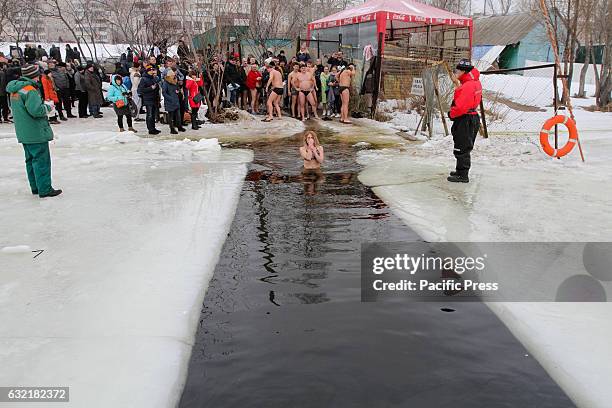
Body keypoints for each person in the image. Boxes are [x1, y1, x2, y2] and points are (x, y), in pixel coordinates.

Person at [6, 64, 62, 197]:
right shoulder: (30, 90)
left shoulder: (16, 89)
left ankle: (36, 187)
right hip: (35, 132)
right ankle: (45, 189)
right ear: (34, 75)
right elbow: (36, 111)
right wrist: (48, 107)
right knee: (41, 161)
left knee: (31, 161)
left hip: (24, 132)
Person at [447, 59, 482, 183]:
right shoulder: (474, 82)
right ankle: (460, 170)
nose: (455, 73)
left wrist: (451, 114)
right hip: (471, 117)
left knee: (462, 148)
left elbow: (461, 107)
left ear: (463, 71)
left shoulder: (468, 86)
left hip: (465, 119)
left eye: (457, 71)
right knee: (463, 146)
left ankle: (463, 175)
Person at [138, 65, 161, 134]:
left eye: (152, 70)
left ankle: (153, 128)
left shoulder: (153, 78)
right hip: (148, 99)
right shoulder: (143, 79)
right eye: (150, 70)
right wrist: (150, 88)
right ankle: (150, 129)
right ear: (147, 71)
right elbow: (140, 90)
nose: (152, 71)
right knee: (150, 114)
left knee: (153, 114)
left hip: (154, 98)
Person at [161, 70, 186, 134]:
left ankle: (179, 126)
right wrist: (170, 98)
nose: (174, 76)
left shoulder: (175, 81)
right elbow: (164, 92)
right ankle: (172, 128)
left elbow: (177, 88)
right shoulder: (165, 83)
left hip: (176, 100)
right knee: (171, 116)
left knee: (178, 115)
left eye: (174, 75)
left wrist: (178, 91)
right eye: (173, 75)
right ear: (169, 76)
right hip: (170, 102)